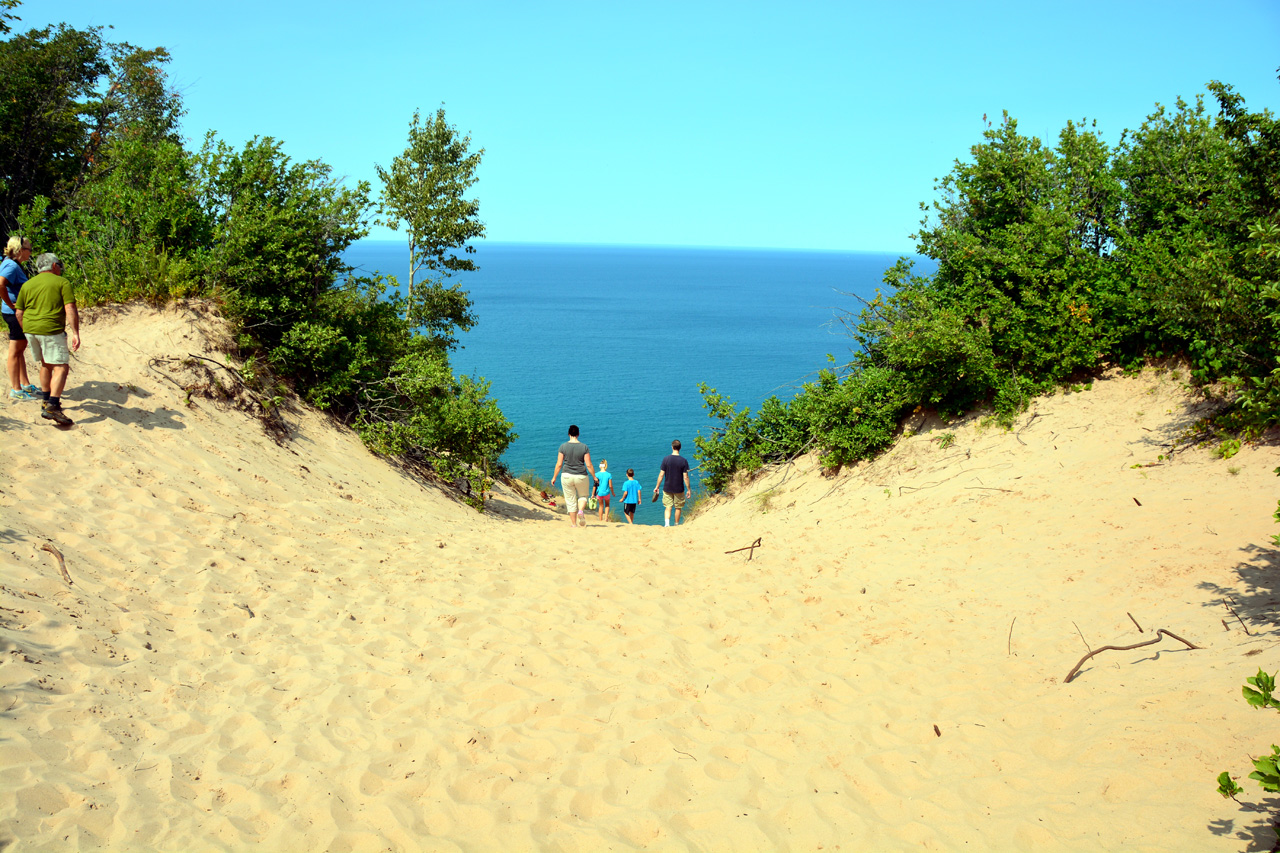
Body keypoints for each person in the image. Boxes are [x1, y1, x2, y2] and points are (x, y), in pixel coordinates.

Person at [15, 253, 80, 427]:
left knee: (45, 364)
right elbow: (70, 308)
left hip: (30, 329)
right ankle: (53, 405)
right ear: (53, 266)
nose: (60, 267)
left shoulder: (28, 284)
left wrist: (27, 330)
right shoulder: (62, 282)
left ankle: (46, 400)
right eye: (59, 264)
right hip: (50, 329)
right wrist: (75, 333)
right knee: (61, 367)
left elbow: (19, 312)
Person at [1, 236, 37, 401]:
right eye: (29, 249)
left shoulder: (14, 265)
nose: (30, 252)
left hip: (15, 312)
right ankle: (16, 389)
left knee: (20, 348)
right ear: (20, 250)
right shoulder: (11, 265)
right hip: (13, 313)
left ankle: (25, 385)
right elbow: (1, 284)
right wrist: (11, 303)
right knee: (15, 350)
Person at [550, 424, 594, 528]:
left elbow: (559, 464)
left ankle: (574, 524)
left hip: (566, 475)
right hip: (581, 476)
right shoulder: (584, 447)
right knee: (583, 496)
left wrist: (554, 477)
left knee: (570, 500)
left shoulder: (563, 447)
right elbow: (588, 464)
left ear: (569, 434)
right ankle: (581, 511)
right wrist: (594, 476)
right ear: (578, 434)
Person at [653, 439, 692, 527]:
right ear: (680, 448)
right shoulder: (683, 461)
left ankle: (667, 524)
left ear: (672, 447)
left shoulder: (666, 459)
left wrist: (657, 486)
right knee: (678, 507)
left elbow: (661, 475)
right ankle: (676, 524)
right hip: (679, 488)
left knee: (668, 506)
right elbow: (685, 477)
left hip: (667, 487)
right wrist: (689, 489)